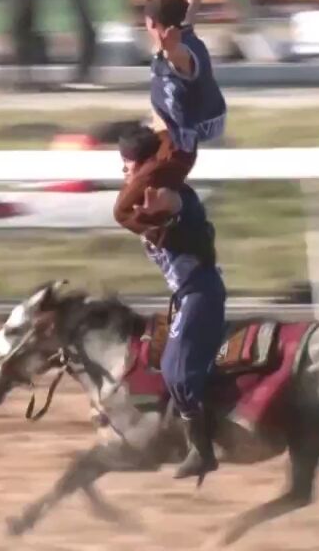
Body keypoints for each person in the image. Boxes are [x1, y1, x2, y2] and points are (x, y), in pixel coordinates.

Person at [119, 125, 226, 483]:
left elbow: (172, 203)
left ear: (146, 165)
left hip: (200, 292)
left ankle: (202, 450)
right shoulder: (151, 193)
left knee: (175, 370)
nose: (123, 171)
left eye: (128, 164)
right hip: (186, 294)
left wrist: (163, 205)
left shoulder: (173, 195)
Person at [112, 0, 226, 237]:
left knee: (122, 212)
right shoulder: (183, 32)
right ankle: (168, 200)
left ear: (151, 23)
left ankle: (165, 233)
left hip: (175, 149)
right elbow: (189, 17)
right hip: (168, 136)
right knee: (128, 144)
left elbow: (182, 61)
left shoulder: (180, 53)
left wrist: (171, 51)